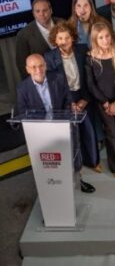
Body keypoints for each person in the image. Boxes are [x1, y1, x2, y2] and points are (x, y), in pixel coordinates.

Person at [16, 54, 95, 193]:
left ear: (45, 65)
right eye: (33, 67)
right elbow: (23, 112)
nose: (38, 70)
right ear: (27, 69)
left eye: (41, 65)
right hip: (41, 132)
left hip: (63, 125)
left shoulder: (58, 78)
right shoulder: (22, 88)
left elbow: (68, 100)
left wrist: (66, 116)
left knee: (74, 153)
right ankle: (54, 185)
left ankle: (79, 180)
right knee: (51, 161)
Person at [44, 22, 101, 172]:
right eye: (60, 38)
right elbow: (54, 86)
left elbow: (90, 77)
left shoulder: (82, 50)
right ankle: (75, 165)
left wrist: (85, 99)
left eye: (67, 38)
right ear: (55, 40)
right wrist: (70, 103)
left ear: (73, 38)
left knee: (89, 130)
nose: (64, 41)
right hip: (65, 98)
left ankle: (93, 162)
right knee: (71, 134)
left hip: (84, 94)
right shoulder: (49, 57)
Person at [85, 22, 115, 179]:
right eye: (101, 38)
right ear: (95, 39)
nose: (105, 40)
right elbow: (91, 84)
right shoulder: (90, 58)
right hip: (103, 103)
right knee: (111, 132)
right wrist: (105, 103)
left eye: (107, 36)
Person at [16, 0, 62, 79]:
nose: (41, 14)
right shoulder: (23, 34)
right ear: (33, 14)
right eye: (37, 11)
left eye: (45, 10)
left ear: (51, 10)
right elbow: (22, 64)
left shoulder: (63, 23)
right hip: (44, 78)